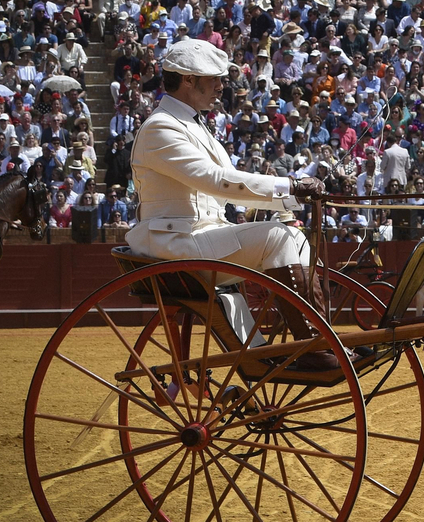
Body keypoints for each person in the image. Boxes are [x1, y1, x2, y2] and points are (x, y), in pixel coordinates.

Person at [126, 38, 344, 373]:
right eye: (213, 78)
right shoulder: (160, 127)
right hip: (175, 245)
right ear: (187, 80)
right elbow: (215, 180)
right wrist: (289, 186)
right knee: (280, 238)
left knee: (292, 236)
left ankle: (315, 343)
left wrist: (291, 196)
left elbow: (225, 187)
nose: (221, 86)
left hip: (199, 239)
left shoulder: (195, 125)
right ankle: (314, 345)